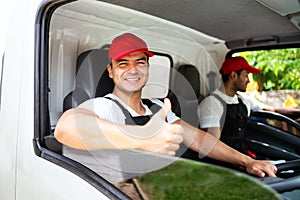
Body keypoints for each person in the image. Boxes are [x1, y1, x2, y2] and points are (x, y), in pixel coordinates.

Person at [54, 33, 277, 185]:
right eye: (123, 63)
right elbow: (66, 127)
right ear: (111, 71)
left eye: (140, 62)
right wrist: (141, 137)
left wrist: (247, 162)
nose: (133, 70)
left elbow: (199, 140)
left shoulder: (158, 106)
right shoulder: (104, 106)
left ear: (147, 68)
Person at [198, 56, 300, 158]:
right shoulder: (211, 104)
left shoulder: (243, 99)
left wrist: (296, 112)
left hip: (244, 155)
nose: (249, 81)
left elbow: (271, 111)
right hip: (226, 163)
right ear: (233, 75)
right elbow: (213, 146)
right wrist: (246, 162)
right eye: (246, 75)